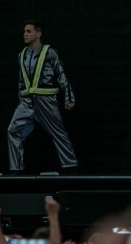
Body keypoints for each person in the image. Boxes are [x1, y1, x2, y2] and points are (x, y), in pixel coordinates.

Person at [7, 20, 78, 175]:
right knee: (13, 130)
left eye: (29, 31)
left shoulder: (49, 52)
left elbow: (61, 74)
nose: (25, 34)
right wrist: (21, 97)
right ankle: (16, 169)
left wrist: (69, 97)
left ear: (38, 33)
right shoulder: (22, 55)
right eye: (24, 31)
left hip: (45, 101)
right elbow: (21, 79)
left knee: (58, 133)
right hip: (27, 101)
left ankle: (70, 167)